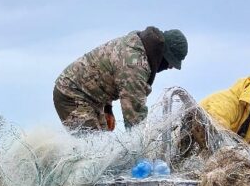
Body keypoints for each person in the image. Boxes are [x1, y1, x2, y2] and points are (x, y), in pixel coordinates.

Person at [53, 27, 188, 132]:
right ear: (163, 53)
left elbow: (107, 71)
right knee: (94, 149)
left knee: (103, 146)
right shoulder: (135, 66)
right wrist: (144, 157)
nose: (170, 67)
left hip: (91, 97)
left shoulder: (139, 43)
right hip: (70, 94)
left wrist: (108, 108)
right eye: (170, 62)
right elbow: (135, 120)